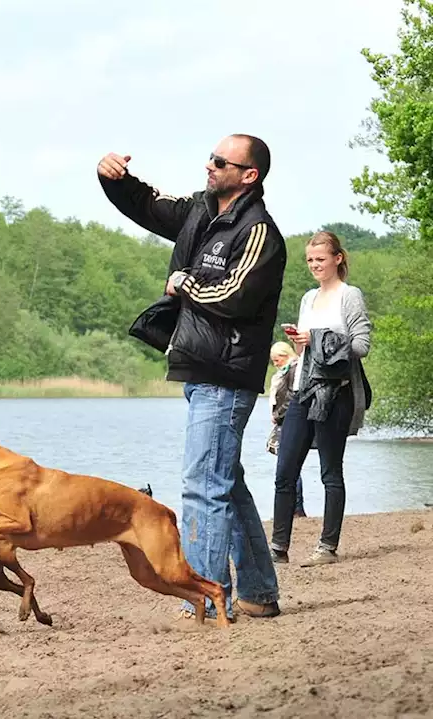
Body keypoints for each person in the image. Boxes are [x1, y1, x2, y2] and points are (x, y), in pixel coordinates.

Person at [97, 134, 284, 621]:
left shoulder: (259, 230)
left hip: (226, 373)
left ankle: (204, 594)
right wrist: (111, 177)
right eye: (211, 156)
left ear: (249, 175)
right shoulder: (199, 211)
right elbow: (146, 205)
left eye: (222, 161)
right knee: (225, 482)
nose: (210, 164)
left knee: (204, 485)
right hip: (198, 367)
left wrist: (185, 283)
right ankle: (259, 592)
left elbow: (235, 295)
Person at [270, 231, 372, 566]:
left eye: (321, 259)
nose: (315, 265)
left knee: (331, 472)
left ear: (337, 259)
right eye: (311, 260)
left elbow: (360, 346)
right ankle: (278, 548)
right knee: (285, 471)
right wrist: (300, 342)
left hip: (335, 394)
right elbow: (304, 350)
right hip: (302, 390)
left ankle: (327, 547)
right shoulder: (307, 299)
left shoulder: (349, 295)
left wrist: (317, 339)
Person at [267, 341, 307, 518]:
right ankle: (293, 508)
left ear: (285, 355)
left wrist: (278, 414)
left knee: (288, 466)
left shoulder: (294, 369)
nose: (275, 364)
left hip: (287, 421)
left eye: (277, 360)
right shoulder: (285, 372)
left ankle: (295, 508)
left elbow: (291, 397)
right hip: (283, 421)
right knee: (288, 466)